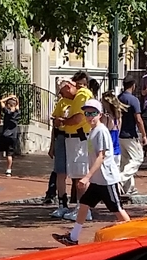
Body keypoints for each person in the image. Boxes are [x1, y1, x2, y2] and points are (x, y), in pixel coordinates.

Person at [54, 99, 129, 245]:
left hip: (106, 179)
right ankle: (73, 237)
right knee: (84, 204)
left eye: (93, 113)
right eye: (87, 113)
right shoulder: (93, 131)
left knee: (117, 210)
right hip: (97, 180)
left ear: (100, 114)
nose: (89, 116)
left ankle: (136, 236)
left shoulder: (101, 131)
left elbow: (101, 156)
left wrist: (87, 177)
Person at [49, 73, 94, 219]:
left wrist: (63, 121)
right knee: (73, 173)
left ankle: (84, 209)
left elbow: (78, 118)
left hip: (78, 139)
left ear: (68, 87)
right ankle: (73, 206)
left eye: (62, 92)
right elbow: (57, 122)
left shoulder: (82, 95)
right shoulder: (67, 100)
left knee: (81, 174)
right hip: (68, 138)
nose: (61, 96)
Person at [117, 75, 146, 198]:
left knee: (125, 161)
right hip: (130, 135)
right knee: (138, 159)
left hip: (119, 135)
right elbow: (138, 119)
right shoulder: (133, 100)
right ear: (133, 85)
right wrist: (144, 135)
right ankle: (120, 178)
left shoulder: (119, 98)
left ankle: (129, 188)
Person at [0, 94, 21, 176]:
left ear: (8, 105)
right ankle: (8, 169)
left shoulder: (7, 112)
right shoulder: (17, 113)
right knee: (9, 154)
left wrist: (10, 97)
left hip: (5, 135)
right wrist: (16, 99)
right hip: (13, 136)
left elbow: (1, 101)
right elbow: (17, 106)